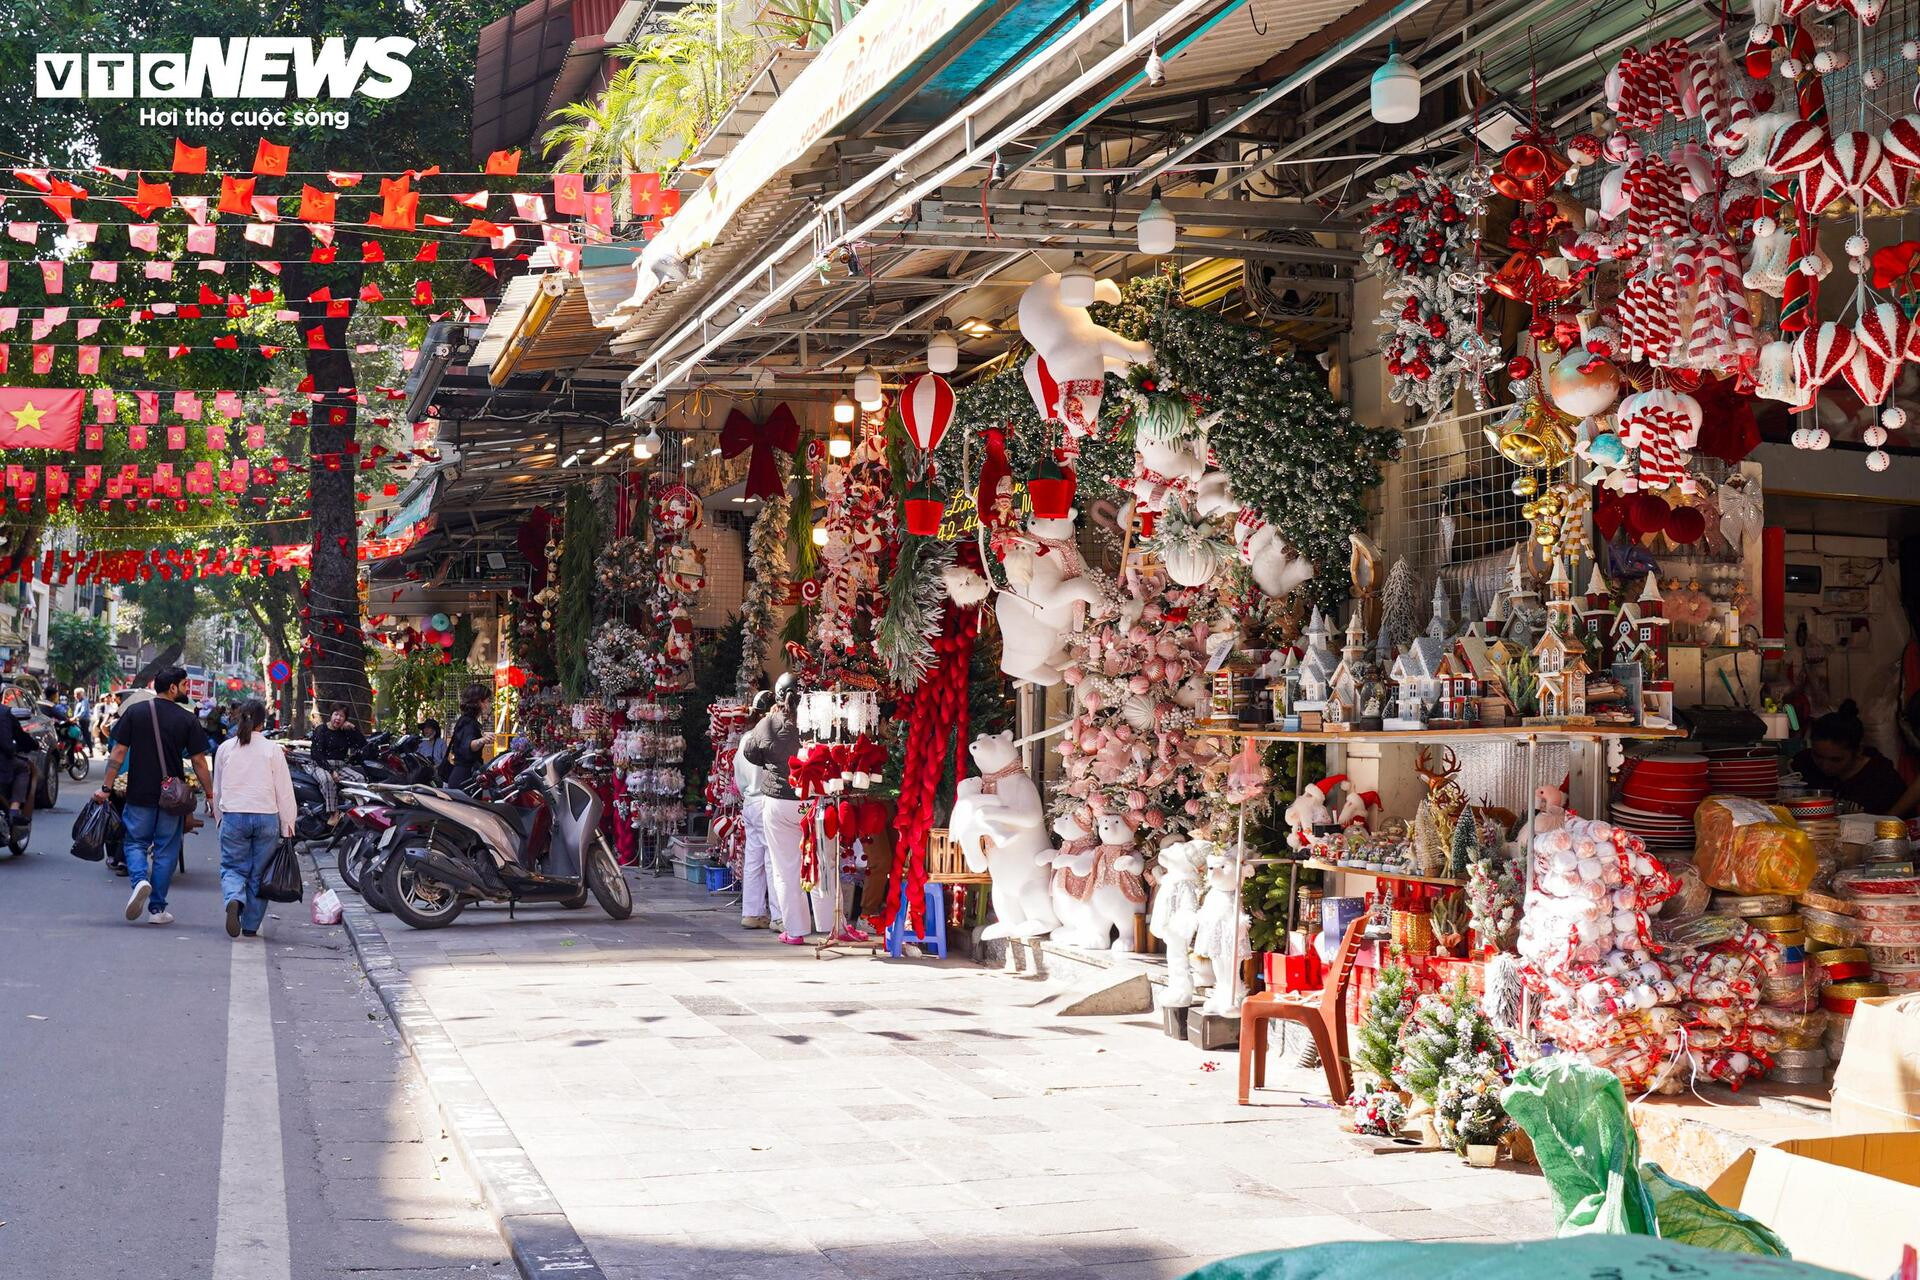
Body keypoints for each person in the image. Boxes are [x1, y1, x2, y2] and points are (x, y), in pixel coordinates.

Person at [95, 668, 213, 926]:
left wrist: (105, 788)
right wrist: (212, 795)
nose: (185, 689)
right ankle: (157, 909)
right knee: (166, 850)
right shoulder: (186, 719)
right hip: (172, 798)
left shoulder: (135, 713)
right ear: (172, 688)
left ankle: (139, 881)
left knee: (135, 842)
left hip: (139, 792)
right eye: (183, 684)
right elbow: (200, 763)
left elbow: (117, 753)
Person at [742, 674, 831, 944]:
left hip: (779, 802)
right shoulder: (815, 722)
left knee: (785, 868)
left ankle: (795, 930)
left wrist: (773, 764)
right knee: (820, 862)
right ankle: (827, 925)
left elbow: (750, 752)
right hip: (812, 802)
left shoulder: (768, 723)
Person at [212, 699, 296, 939]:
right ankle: (250, 926)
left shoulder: (225, 748)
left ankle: (234, 898)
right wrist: (288, 824)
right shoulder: (272, 750)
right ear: (263, 722)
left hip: (234, 815)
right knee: (259, 873)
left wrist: (219, 818)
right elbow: (284, 791)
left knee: (232, 867)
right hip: (266, 817)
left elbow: (217, 789)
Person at [1793, 700, 1908, 814]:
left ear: (1858, 751)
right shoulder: (1803, 764)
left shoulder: (1881, 779)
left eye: (1836, 760)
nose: (1825, 765)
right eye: (1818, 756)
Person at [733, 691, 775, 931]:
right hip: (767, 801)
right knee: (772, 859)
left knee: (754, 859)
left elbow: (738, 774)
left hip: (749, 801)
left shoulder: (745, 738)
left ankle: (752, 912)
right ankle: (779, 915)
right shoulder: (770, 735)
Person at [0, 705, 41, 828]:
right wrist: (33, 745)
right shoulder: (4, 713)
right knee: (24, 768)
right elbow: (19, 739)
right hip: (3, 763)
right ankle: (14, 810)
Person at [444, 686, 489, 787]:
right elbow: (468, 746)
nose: (488, 704)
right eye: (486, 701)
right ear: (478, 702)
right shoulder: (468, 722)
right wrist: (482, 740)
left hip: (463, 775)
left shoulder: (466, 720)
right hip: (465, 777)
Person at [309, 704, 367, 769]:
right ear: (331, 715)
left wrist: (353, 728)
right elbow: (317, 754)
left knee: (360, 778)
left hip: (340, 766)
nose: (338, 718)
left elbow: (363, 744)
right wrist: (331, 771)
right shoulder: (321, 730)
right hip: (321, 765)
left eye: (342, 716)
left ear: (345, 719)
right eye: (336, 714)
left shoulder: (345, 732)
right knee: (327, 779)